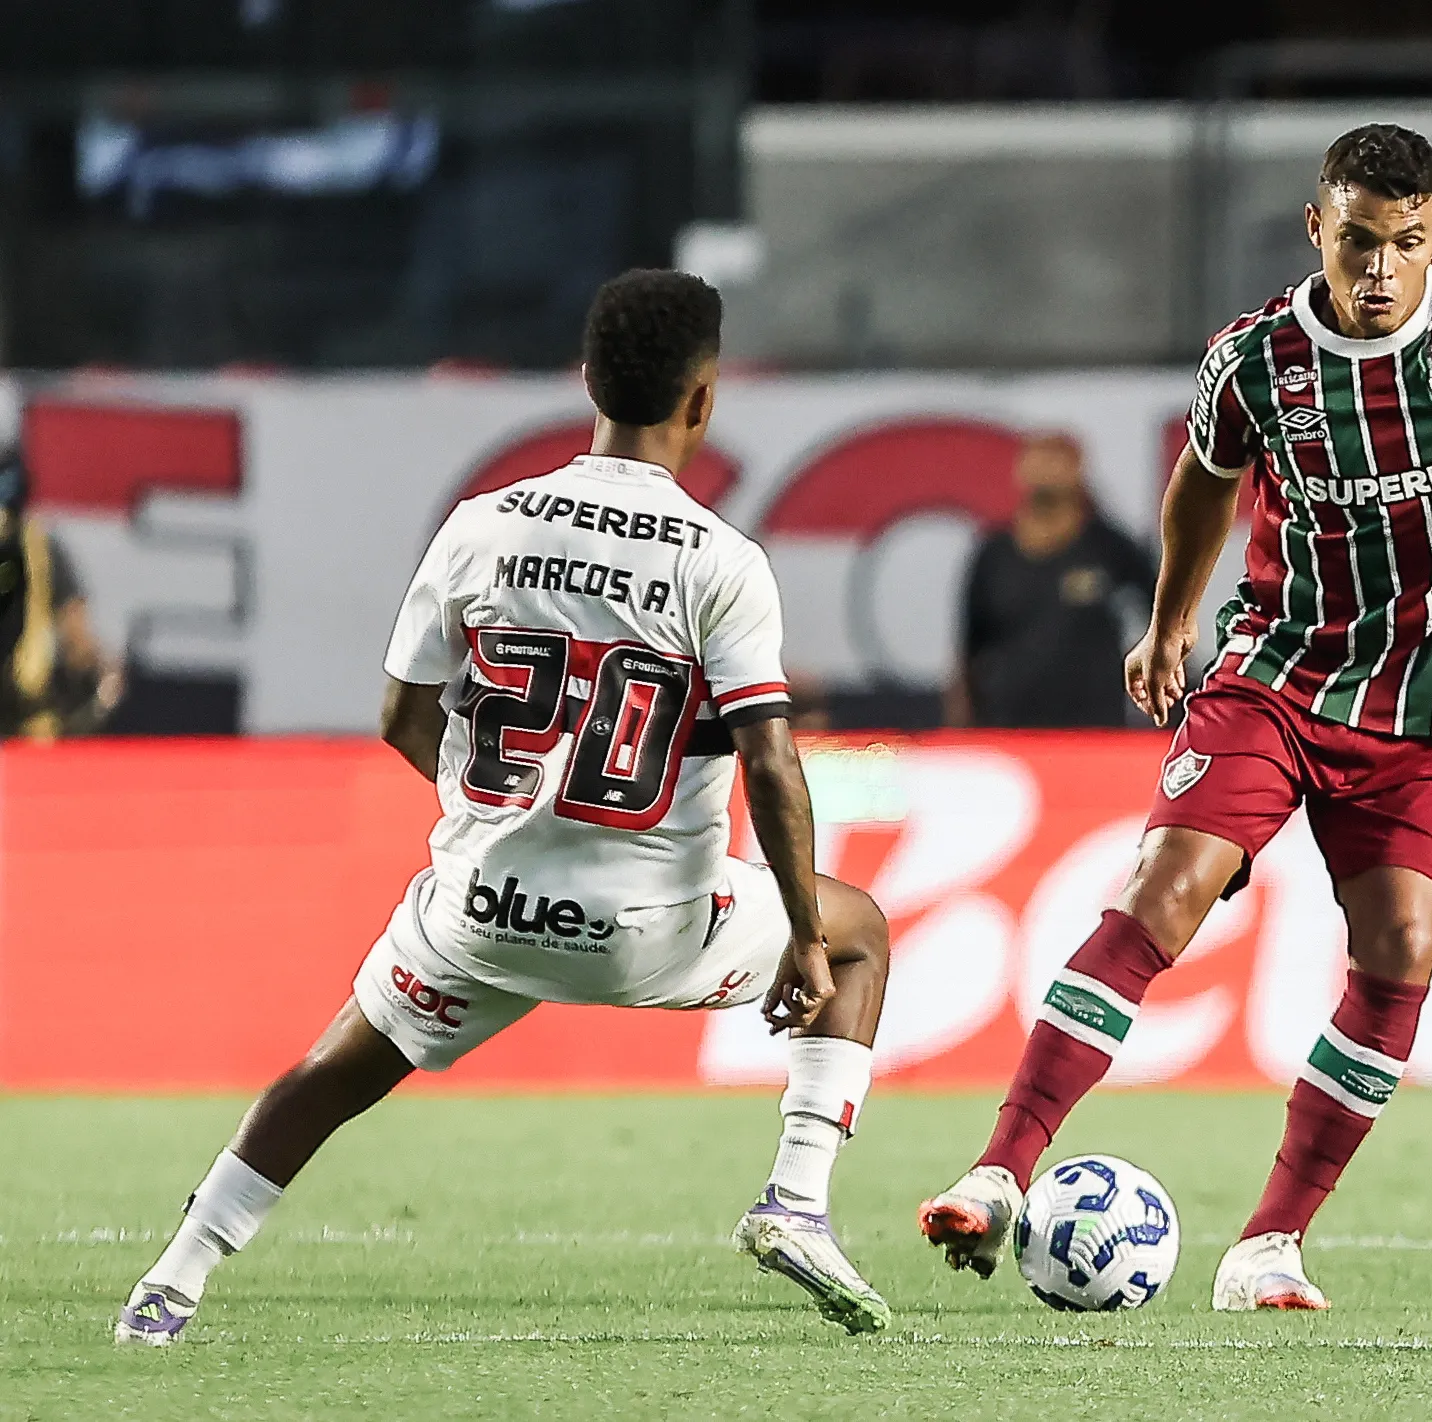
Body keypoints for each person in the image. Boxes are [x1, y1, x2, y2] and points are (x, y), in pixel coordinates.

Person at [917, 123, 1432, 1310]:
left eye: (1405, 244)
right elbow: (1203, 485)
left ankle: (1271, 1243)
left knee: (1403, 948)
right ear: (1318, 227)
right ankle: (1002, 1171)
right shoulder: (1254, 359)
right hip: (1278, 677)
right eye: (1357, 239)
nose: (1378, 268)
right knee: (1167, 890)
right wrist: (1170, 623)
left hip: (1425, 713)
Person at [117, 270, 896, 1344]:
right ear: (704, 399)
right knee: (861, 937)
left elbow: (400, 716)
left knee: (330, 1074)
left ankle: (173, 1280)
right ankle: (797, 1201)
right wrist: (805, 940)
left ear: (586, 381)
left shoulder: (481, 527)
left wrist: (503, 818)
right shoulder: (724, 563)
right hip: (652, 930)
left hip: (482, 911)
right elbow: (770, 762)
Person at [948, 432, 1157, 728]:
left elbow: (1163, 616)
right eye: (1040, 456)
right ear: (1020, 469)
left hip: (1095, 730)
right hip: (1009, 727)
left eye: (1058, 457)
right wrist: (960, 725)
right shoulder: (993, 555)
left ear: (1078, 468)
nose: (1047, 467)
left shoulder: (1110, 548)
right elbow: (968, 651)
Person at [0, 446, 124, 737]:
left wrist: (97, 664)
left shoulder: (40, 549)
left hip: (25, 720)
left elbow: (76, 635)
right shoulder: (38, 547)